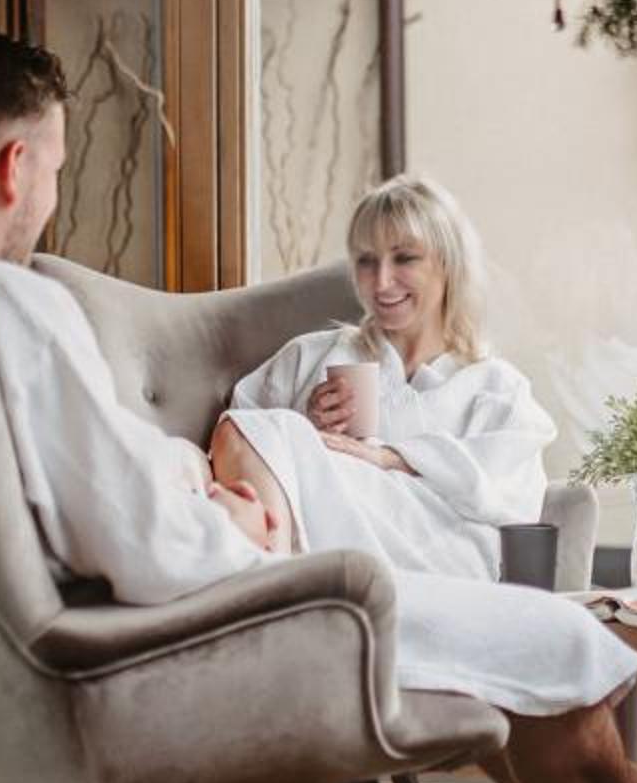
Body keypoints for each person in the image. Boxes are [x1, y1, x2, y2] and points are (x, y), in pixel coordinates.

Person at [0, 32, 637, 783]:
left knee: (518, 646)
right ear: (15, 167)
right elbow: (154, 548)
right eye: (56, 172)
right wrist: (231, 511)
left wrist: (204, 481)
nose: (49, 199)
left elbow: (98, 509)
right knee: (549, 638)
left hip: (60, 655)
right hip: (228, 611)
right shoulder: (13, 308)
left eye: (406, 260)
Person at [212, 175, 553, 581]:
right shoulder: (312, 357)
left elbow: (516, 505)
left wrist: (393, 458)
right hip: (318, 543)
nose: (382, 281)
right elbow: (236, 451)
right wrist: (307, 428)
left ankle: (273, 588)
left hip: (440, 557)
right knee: (244, 430)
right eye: (366, 261)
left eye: (404, 258)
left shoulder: (497, 387)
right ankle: (277, 589)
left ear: (448, 264)